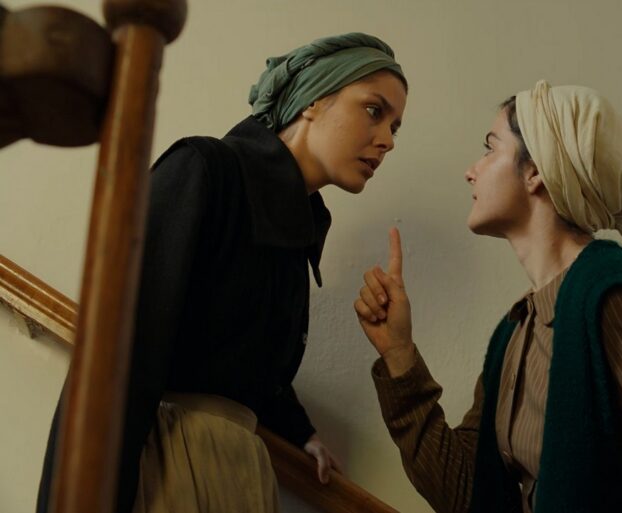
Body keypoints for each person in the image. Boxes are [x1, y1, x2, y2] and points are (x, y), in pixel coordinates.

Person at [354, 81, 622, 512]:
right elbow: (467, 493)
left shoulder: (616, 307)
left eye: (490, 148)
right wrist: (399, 353)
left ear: (535, 171)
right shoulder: (516, 333)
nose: (472, 169)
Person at [38, 32, 407, 513]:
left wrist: (300, 431)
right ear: (314, 99)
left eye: (395, 127)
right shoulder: (207, 169)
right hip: (166, 465)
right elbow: (122, 351)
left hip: (237, 474)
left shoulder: (297, 228)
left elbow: (240, 362)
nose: (387, 141)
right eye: (374, 110)